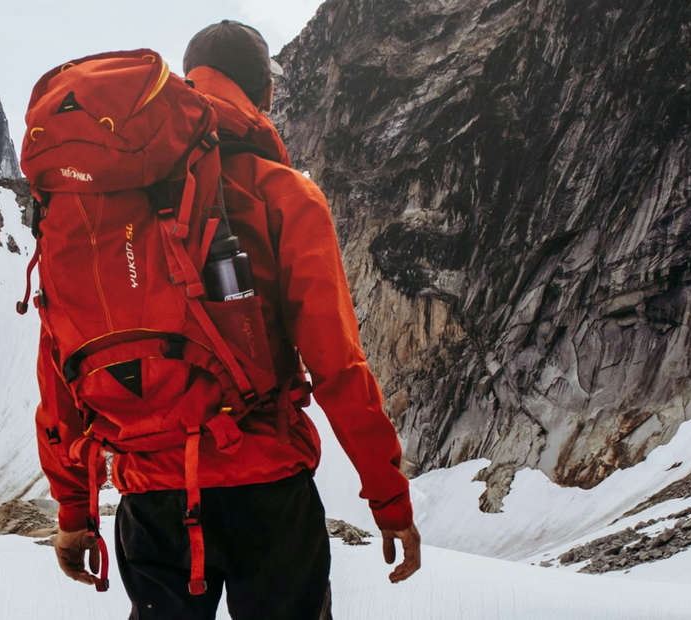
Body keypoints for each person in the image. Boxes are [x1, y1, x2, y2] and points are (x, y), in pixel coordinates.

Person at [37, 19, 421, 620]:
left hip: (151, 498)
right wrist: (388, 496)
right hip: (266, 493)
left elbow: (59, 360)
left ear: (186, 84)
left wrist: (73, 510)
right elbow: (337, 364)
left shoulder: (102, 207)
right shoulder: (285, 193)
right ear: (264, 95)